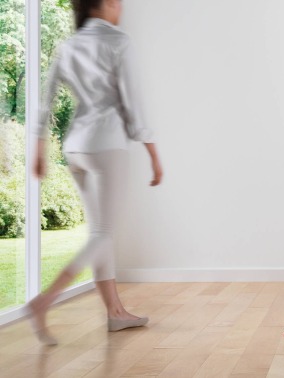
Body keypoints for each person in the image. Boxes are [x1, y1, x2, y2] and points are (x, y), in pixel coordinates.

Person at [28, 0, 162, 345]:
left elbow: (46, 99)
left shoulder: (68, 45)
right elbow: (133, 104)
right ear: (101, 5)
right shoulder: (118, 41)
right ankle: (45, 301)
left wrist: (39, 146)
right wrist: (152, 151)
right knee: (103, 234)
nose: (121, 7)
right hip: (106, 144)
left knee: (100, 234)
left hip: (75, 146)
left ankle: (115, 313)